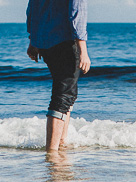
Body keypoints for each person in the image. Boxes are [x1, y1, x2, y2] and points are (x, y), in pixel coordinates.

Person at [26, 0, 91, 152]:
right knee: (63, 96)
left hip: (45, 41)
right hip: (65, 40)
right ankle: (52, 151)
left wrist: (32, 39)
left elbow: (32, 7)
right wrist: (83, 48)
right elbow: (77, 10)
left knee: (66, 93)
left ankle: (61, 142)